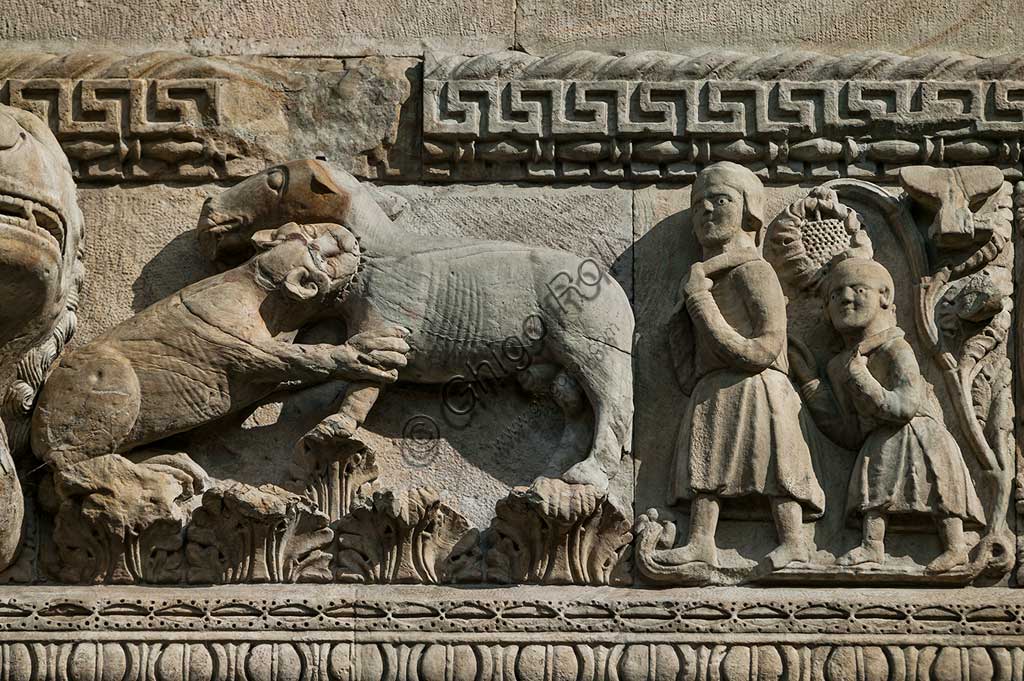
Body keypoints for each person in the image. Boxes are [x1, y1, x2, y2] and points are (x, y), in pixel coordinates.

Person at [666, 162, 824, 569]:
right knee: (705, 467)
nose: (706, 210)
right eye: (698, 203)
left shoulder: (754, 270)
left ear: (749, 209)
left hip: (759, 387)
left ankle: (794, 542)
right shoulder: (701, 277)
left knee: (778, 466)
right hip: (714, 386)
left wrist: (701, 306)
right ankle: (701, 539)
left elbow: (766, 346)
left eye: (720, 200)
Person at [791, 255, 985, 573]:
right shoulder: (838, 366)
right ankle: (871, 546)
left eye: (857, 289)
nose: (845, 298)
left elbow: (906, 405)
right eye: (834, 295)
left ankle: (954, 546)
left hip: (920, 434)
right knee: (874, 492)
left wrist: (862, 377)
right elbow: (849, 432)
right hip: (877, 438)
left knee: (940, 490)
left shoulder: (895, 348)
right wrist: (811, 384)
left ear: (884, 296)